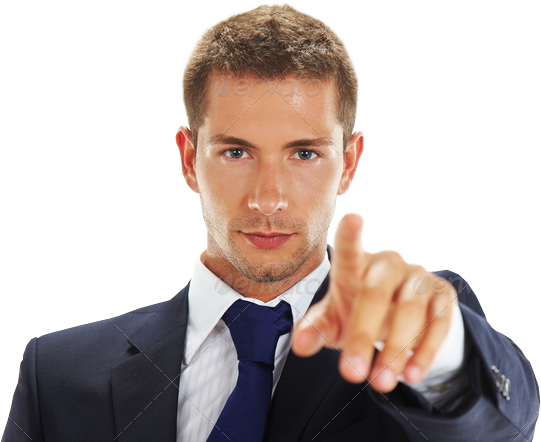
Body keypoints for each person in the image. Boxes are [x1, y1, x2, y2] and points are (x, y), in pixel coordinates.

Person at [2, 4, 539, 442]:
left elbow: (499, 424)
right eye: (236, 152)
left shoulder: (405, 333)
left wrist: (446, 355)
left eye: (304, 154)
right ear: (188, 159)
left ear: (348, 163)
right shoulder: (57, 375)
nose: (269, 199)